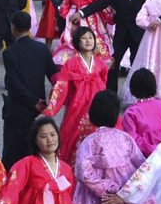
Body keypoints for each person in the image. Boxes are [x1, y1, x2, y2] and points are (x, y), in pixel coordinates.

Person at [44, 27, 111, 163]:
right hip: (77, 108)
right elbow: (61, 87)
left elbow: (104, 83)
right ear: (76, 41)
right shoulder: (70, 64)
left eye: (90, 37)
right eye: (83, 38)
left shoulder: (100, 65)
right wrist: (50, 109)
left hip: (95, 108)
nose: (88, 41)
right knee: (72, 137)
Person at [0, 11, 56, 169]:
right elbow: (54, 76)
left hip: (17, 109)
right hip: (38, 111)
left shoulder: (9, 52)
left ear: (13, 28)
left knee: (13, 153)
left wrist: (32, 101)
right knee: (35, 151)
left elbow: (15, 84)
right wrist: (50, 103)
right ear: (29, 26)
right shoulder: (42, 49)